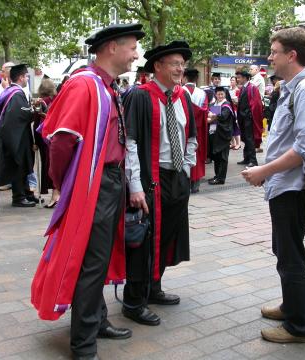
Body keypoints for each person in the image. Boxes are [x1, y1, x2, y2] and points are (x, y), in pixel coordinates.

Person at [31, 24, 145, 360]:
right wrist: (69, 184)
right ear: (112, 48)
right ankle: (83, 344)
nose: (137, 54)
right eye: (133, 48)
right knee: (92, 261)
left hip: (110, 180)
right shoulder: (84, 85)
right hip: (93, 184)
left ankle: (97, 321)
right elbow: (62, 141)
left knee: (102, 255)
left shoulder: (106, 86)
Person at [242, 27, 305, 343]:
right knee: (285, 251)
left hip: (294, 188)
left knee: (291, 255)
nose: (269, 56)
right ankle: (291, 305)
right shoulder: (294, 88)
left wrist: (265, 170)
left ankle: (299, 326)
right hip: (285, 185)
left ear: (292, 55)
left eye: (274, 51)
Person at [123, 40, 197, 326]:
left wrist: (187, 170)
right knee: (143, 241)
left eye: (182, 64)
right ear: (157, 66)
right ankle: (133, 302)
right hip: (150, 180)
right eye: (175, 63)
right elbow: (129, 142)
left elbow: (191, 136)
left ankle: (153, 288)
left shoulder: (183, 97)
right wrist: (135, 186)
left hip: (177, 177)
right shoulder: (140, 96)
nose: (181, 68)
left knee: (167, 237)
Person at [0, 64, 37, 207]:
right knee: (19, 166)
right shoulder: (16, 94)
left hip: (17, 136)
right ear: (20, 77)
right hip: (17, 138)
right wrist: (33, 112)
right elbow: (20, 115)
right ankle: (19, 197)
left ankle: (26, 193)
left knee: (23, 165)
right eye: (26, 76)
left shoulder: (9, 91)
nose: (27, 78)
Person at [32, 78, 59, 208]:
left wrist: (35, 142)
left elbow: (36, 123)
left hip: (45, 138)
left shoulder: (41, 102)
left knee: (47, 166)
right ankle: (56, 194)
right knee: (56, 165)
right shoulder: (58, 100)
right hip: (57, 137)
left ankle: (54, 196)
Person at [183, 68, 208, 193]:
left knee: (183, 153)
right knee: (196, 154)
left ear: (185, 77)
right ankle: (196, 185)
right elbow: (204, 112)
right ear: (196, 79)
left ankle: (185, 183)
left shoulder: (180, 91)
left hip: (183, 129)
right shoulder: (202, 93)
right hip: (197, 130)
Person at [236, 68, 264, 167]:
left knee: (250, 139)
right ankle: (247, 158)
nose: (237, 79)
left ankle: (253, 160)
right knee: (246, 138)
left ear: (245, 78)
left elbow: (256, 104)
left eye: (239, 77)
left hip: (249, 118)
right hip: (243, 118)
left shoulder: (252, 88)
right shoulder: (244, 88)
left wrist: (250, 116)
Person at [207, 86, 234, 185]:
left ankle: (221, 178)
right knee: (216, 156)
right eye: (218, 94)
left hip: (223, 135)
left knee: (223, 157)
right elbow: (212, 117)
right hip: (215, 133)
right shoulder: (215, 104)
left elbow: (223, 116)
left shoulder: (226, 105)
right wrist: (212, 116)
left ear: (225, 94)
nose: (220, 96)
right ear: (215, 95)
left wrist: (212, 116)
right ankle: (217, 176)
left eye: (222, 94)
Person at [229, 75, 241, 150]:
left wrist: (233, 100)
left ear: (236, 82)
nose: (231, 82)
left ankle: (238, 143)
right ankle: (233, 143)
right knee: (231, 127)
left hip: (235, 110)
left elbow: (237, 102)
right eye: (231, 80)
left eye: (233, 80)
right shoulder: (229, 90)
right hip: (229, 109)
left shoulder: (237, 90)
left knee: (236, 126)